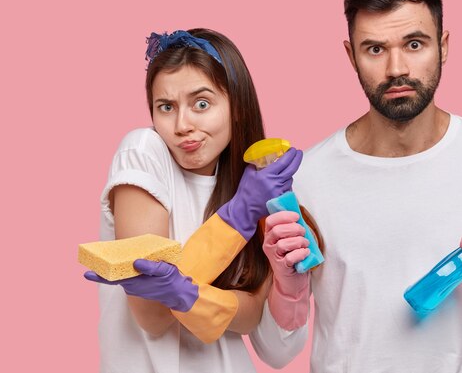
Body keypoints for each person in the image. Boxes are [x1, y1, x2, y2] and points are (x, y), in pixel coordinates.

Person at [257, 0, 462, 372]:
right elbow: (276, 354)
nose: (396, 68)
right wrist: (287, 288)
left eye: (414, 44)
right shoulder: (305, 177)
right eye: (375, 48)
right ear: (351, 55)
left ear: (444, 45)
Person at [85, 28, 303, 372]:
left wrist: (186, 292)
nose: (182, 124)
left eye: (201, 104)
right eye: (165, 106)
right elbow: (152, 317)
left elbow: (248, 318)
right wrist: (237, 217)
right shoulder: (143, 152)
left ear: (237, 108)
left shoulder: (251, 188)